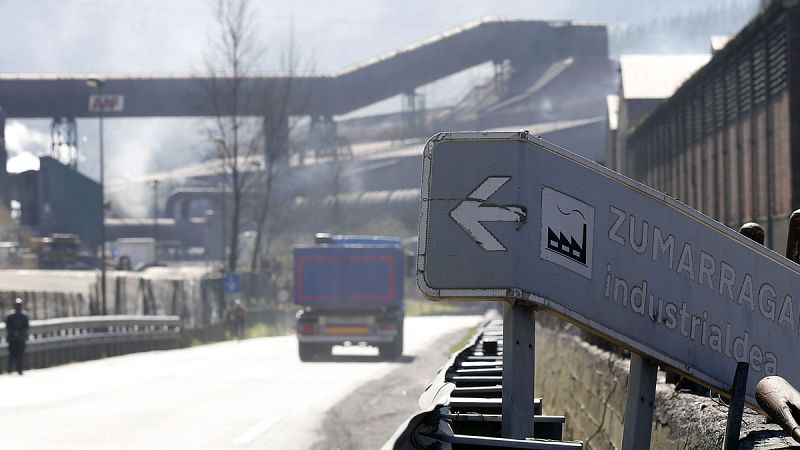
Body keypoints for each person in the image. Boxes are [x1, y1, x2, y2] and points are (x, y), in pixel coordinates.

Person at [5, 298, 29, 375]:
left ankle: (10, 370)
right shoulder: (24, 315)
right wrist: (19, 332)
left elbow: (8, 327)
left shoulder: (10, 315)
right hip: (20, 339)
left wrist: (14, 332)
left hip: (13, 339)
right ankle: (19, 370)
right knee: (19, 355)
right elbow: (26, 327)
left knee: (12, 355)